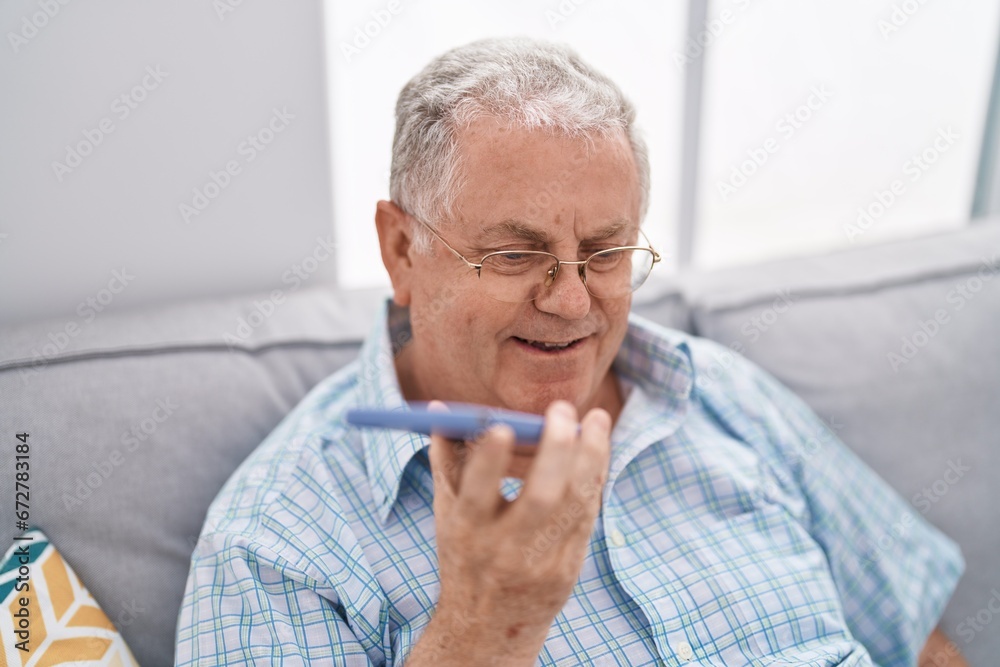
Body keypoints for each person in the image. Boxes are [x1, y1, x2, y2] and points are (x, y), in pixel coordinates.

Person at [175, 38, 966, 666]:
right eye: (515, 255)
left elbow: (918, 640)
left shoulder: (718, 391)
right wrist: (483, 633)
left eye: (606, 252)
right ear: (401, 249)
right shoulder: (271, 548)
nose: (572, 301)